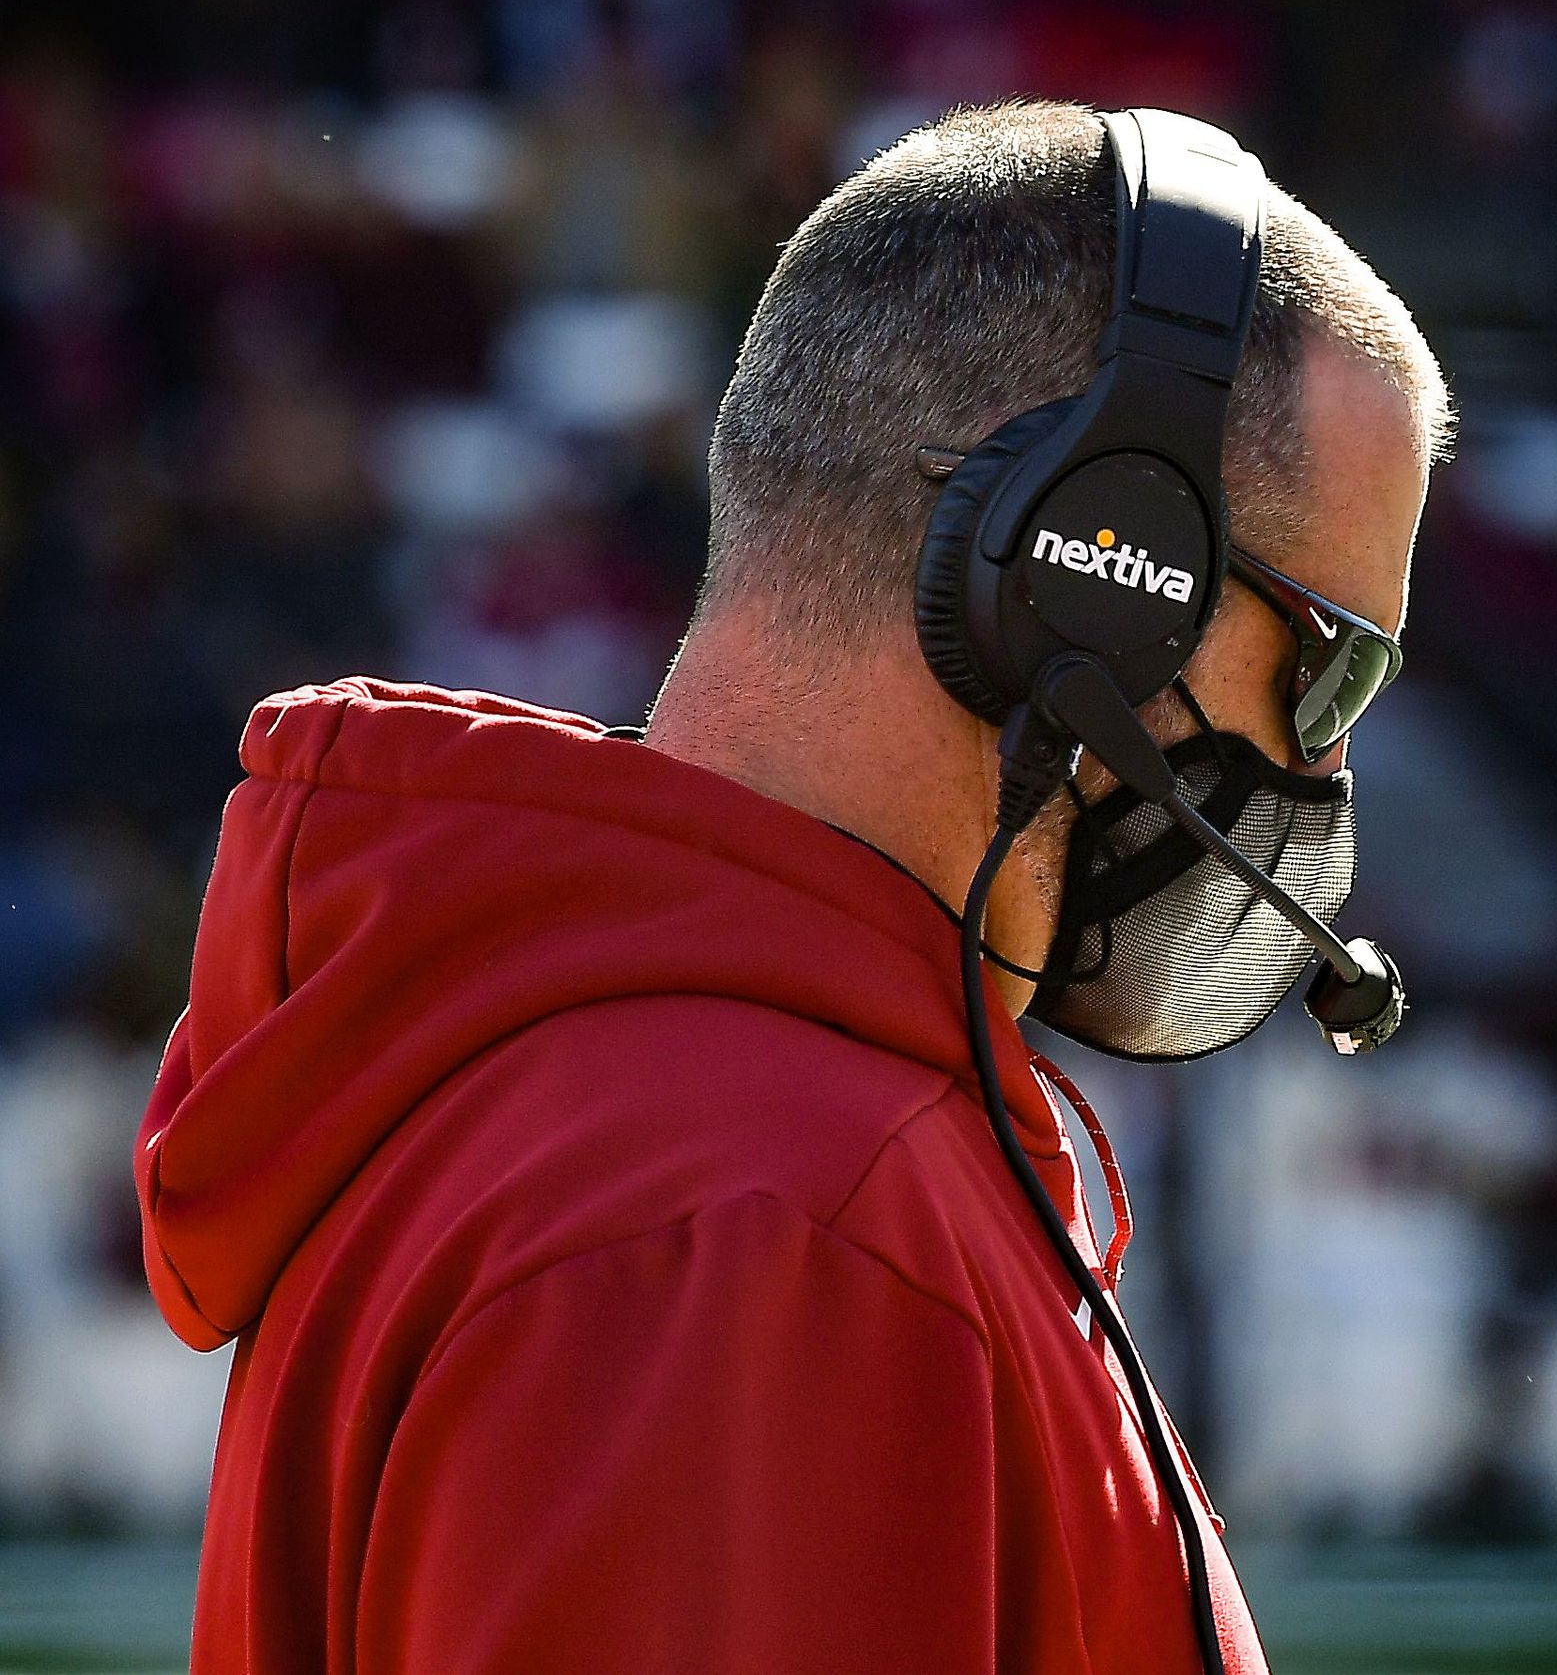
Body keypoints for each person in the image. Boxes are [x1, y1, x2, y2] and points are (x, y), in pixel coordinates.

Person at [132, 101, 1449, 1675]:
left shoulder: (655, 1128)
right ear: (1088, 570)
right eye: (1328, 677)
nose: (1315, 772)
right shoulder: (763, 1228)